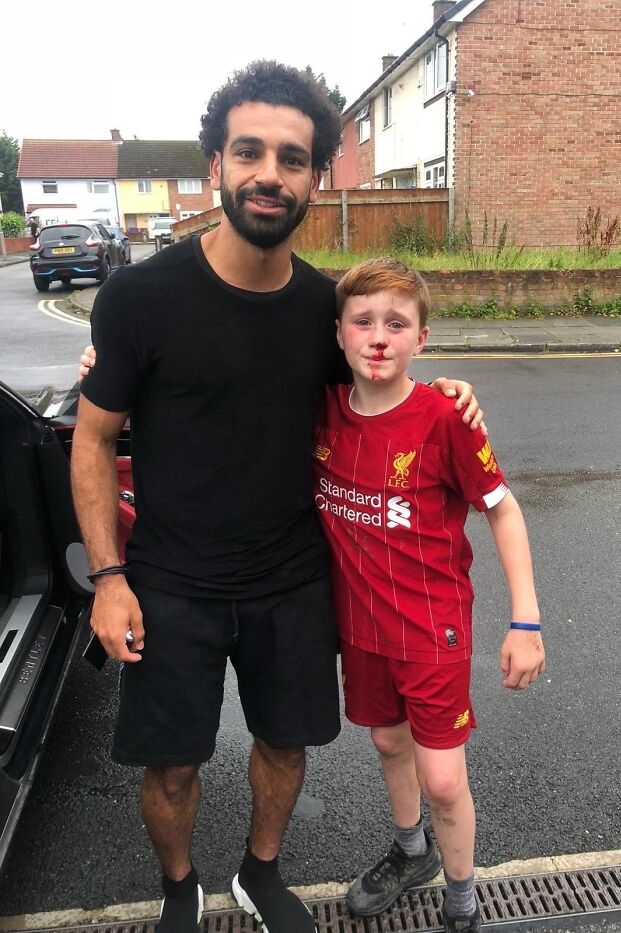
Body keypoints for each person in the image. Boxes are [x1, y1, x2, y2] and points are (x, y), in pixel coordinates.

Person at [71, 61, 484, 933]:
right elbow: (94, 438)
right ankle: (180, 886)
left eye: (292, 158)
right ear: (216, 163)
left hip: (292, 580)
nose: (270, 173)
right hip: (168, 582)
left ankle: (260, 872)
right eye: (249, 151)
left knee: (284, 746)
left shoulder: (326, 312)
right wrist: (109, 576)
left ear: (316, 178)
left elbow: (385, 380)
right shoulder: (140, 298)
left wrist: (451, 394)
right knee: (173, 767)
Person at [312, 258, 546, 931]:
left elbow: (503, 509)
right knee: (389, 746)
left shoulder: (447, 416)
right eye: (363, 321)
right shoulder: (320, 412)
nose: (379, 336)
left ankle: (464, 897)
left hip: (432, 631)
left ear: (423, 338)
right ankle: (411, 850)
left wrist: (525, 619)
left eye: (397, 323)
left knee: (444, 779)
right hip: (360, 630)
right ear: (338, 334)